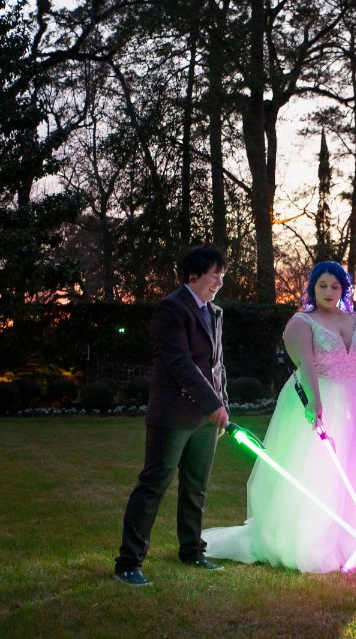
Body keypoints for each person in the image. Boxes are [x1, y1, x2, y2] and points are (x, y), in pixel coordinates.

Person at [203, 261, 356, 573]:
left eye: (335, 286)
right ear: (313, 287)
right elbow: (306, 365)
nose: (328, 291)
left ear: (344, 289)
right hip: (318, 396)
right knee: (320, 470)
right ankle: (311, 539)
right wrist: (315, 402)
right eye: (322, 285)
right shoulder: (302, 322)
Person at [114, 244, 231, 587]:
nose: (219, 282)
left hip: (205, 419)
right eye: (214, 275)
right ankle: (127, 563)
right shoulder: (170, 309)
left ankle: (192, 551)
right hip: (172, 414)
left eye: (222, 275)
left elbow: (216, 365)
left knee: (196, 487)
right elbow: (180, 362)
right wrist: (214, 404)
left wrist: (222, 402)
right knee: (153, 485)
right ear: (193, 276)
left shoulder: (215, 312)